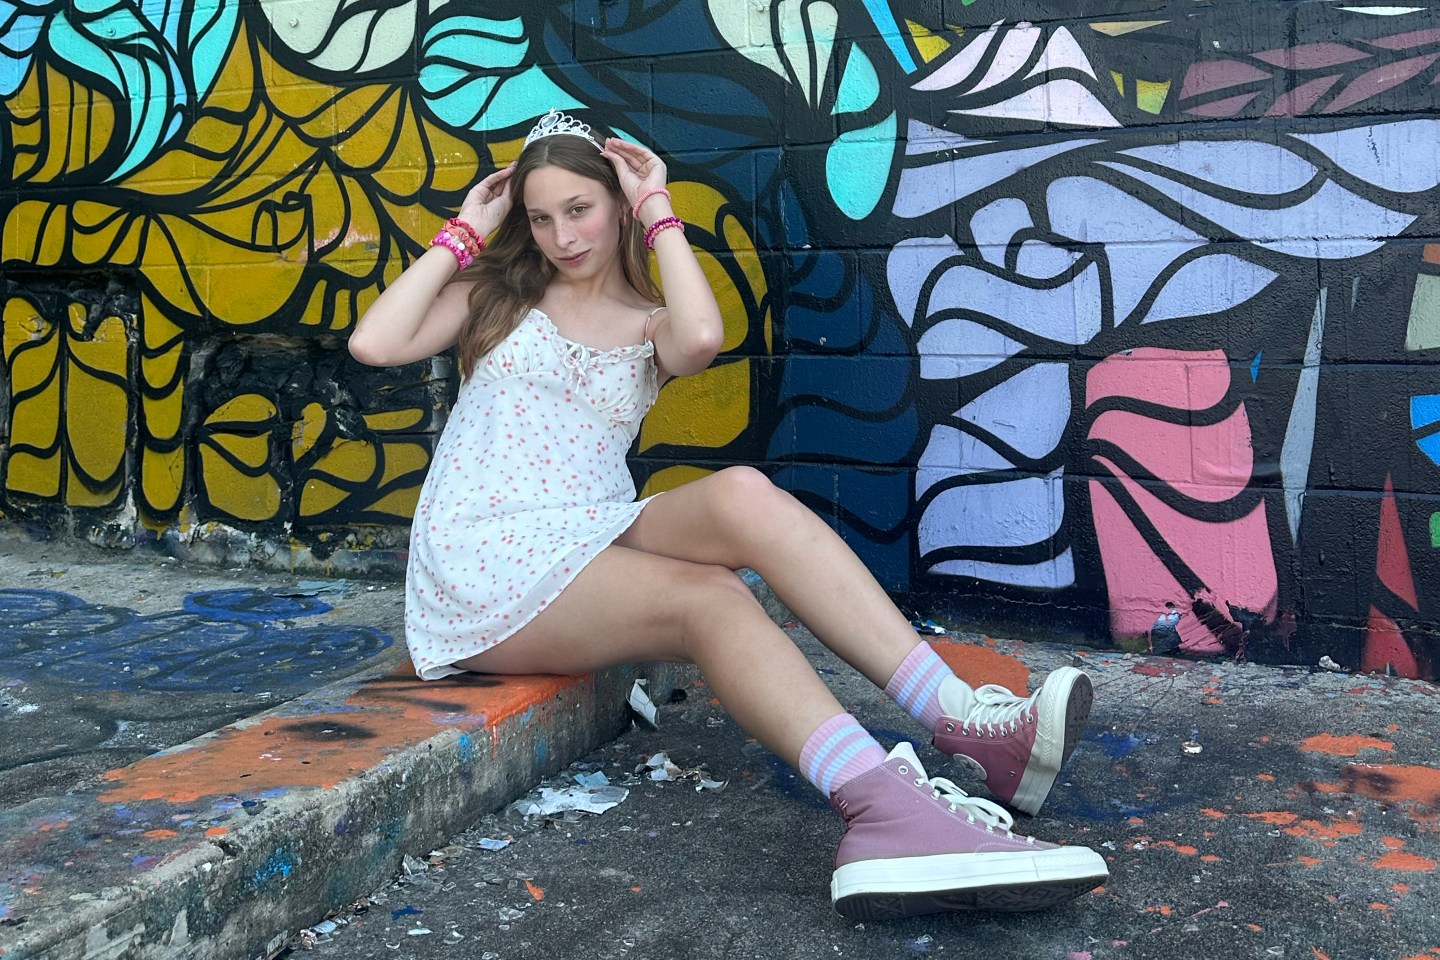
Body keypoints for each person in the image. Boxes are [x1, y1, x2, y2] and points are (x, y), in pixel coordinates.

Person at [348, 108, 1108, 919]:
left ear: (613, 204)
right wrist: (466, 232)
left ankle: (965, 721)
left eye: (580, 209)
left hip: (581, 524)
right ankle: (886, 811)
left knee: (744, 491)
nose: (562, 236)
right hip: (482, 558)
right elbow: (375, 343)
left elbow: (703, 335)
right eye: (540, 217)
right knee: (711, 600)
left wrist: (658, 206)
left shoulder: (648, 323)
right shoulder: (497, 299)